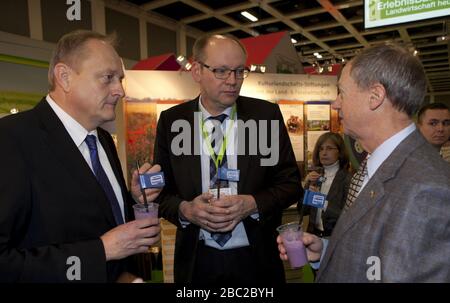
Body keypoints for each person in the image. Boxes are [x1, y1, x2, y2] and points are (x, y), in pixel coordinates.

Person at [278, 43, 450, 282]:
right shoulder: (376, 165)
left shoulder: (427, 188)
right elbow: (379, 260)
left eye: (342, 92)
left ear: (375, 96)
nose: (335, 104)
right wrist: (328, 250)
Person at [0, 30, 161, 282]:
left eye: (120, 79)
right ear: (64, 77)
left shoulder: (103, 140)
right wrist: (101, 252)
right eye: (108, 78)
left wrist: (131, 199)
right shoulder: (11, 140)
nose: (119, 90)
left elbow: (96, 218)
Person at [154, 34, 302, 284]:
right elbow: (161, 193)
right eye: (222, 71)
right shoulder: (172, 122)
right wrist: (185, 210)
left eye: (239, 71)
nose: (233, 81)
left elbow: (290, 185)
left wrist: (252, 204)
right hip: (197, 261)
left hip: (256, 260)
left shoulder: (264, 116)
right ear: (197, 70)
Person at [301, 132, 351, 238]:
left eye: (329, 148)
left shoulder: (348, 179)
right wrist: (306, 188)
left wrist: (321, 201)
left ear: (340, 152)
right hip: (313, 236)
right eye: (321, 149)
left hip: (335, 238)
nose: (324, 153)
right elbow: (302, 210)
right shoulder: (315, 177)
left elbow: (347, 217)